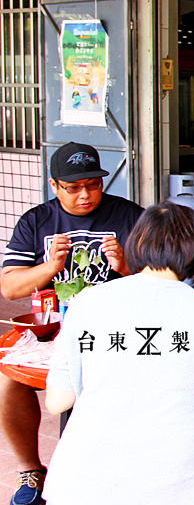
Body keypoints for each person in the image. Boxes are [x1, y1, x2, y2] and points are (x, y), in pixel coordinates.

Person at [42, 202, 194, 505]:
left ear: (137, 245)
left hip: (84, 480)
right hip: (181, 481)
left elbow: (57, 401)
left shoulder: (88, 301)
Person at [0, 142, 144, 505]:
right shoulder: (36, 221)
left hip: (119, 331)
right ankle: (31, 471)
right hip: (55, 331)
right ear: (54, 185)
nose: (85, 194)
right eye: (73, 187)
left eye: (93, 184)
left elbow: (164, 280)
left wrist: (127, 268)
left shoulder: (130, 216)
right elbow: (9, 285)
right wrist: (49, 267)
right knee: (8, 381)